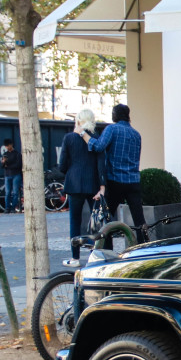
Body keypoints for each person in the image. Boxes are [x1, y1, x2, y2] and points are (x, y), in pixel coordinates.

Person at [83, 103, 145, 244]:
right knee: (139, 219)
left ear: (115, 115)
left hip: (115, 180)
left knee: (107, 218)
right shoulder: (136, 134)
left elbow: (98, 146)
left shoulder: (112, 129)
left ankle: (107, 249)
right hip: (133, 181)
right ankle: (143, 247)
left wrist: (83, 134)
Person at [58, 108, 105, 265]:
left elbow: (62, 165)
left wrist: (71, 171)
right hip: (92, 184)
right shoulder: (96, 139)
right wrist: (101, 185)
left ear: (78, 121)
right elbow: (101, 164)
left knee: (75, 221)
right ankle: (94, 256)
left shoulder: (69, 138)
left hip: (74, 183)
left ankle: (75, 258)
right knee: (95, 222)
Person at [1, 138, 23, 213]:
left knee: (15, 192)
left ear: (11, 145)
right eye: (6, 146)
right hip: (7, 175)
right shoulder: (5, 154)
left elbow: (18, 165)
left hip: (16, 174)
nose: (7, 147)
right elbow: (3, 166)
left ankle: (13, 208)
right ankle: (7, 208)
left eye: (8, 146)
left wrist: (8, 165)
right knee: (7, 193)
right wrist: (4, 163)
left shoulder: (17, 154)